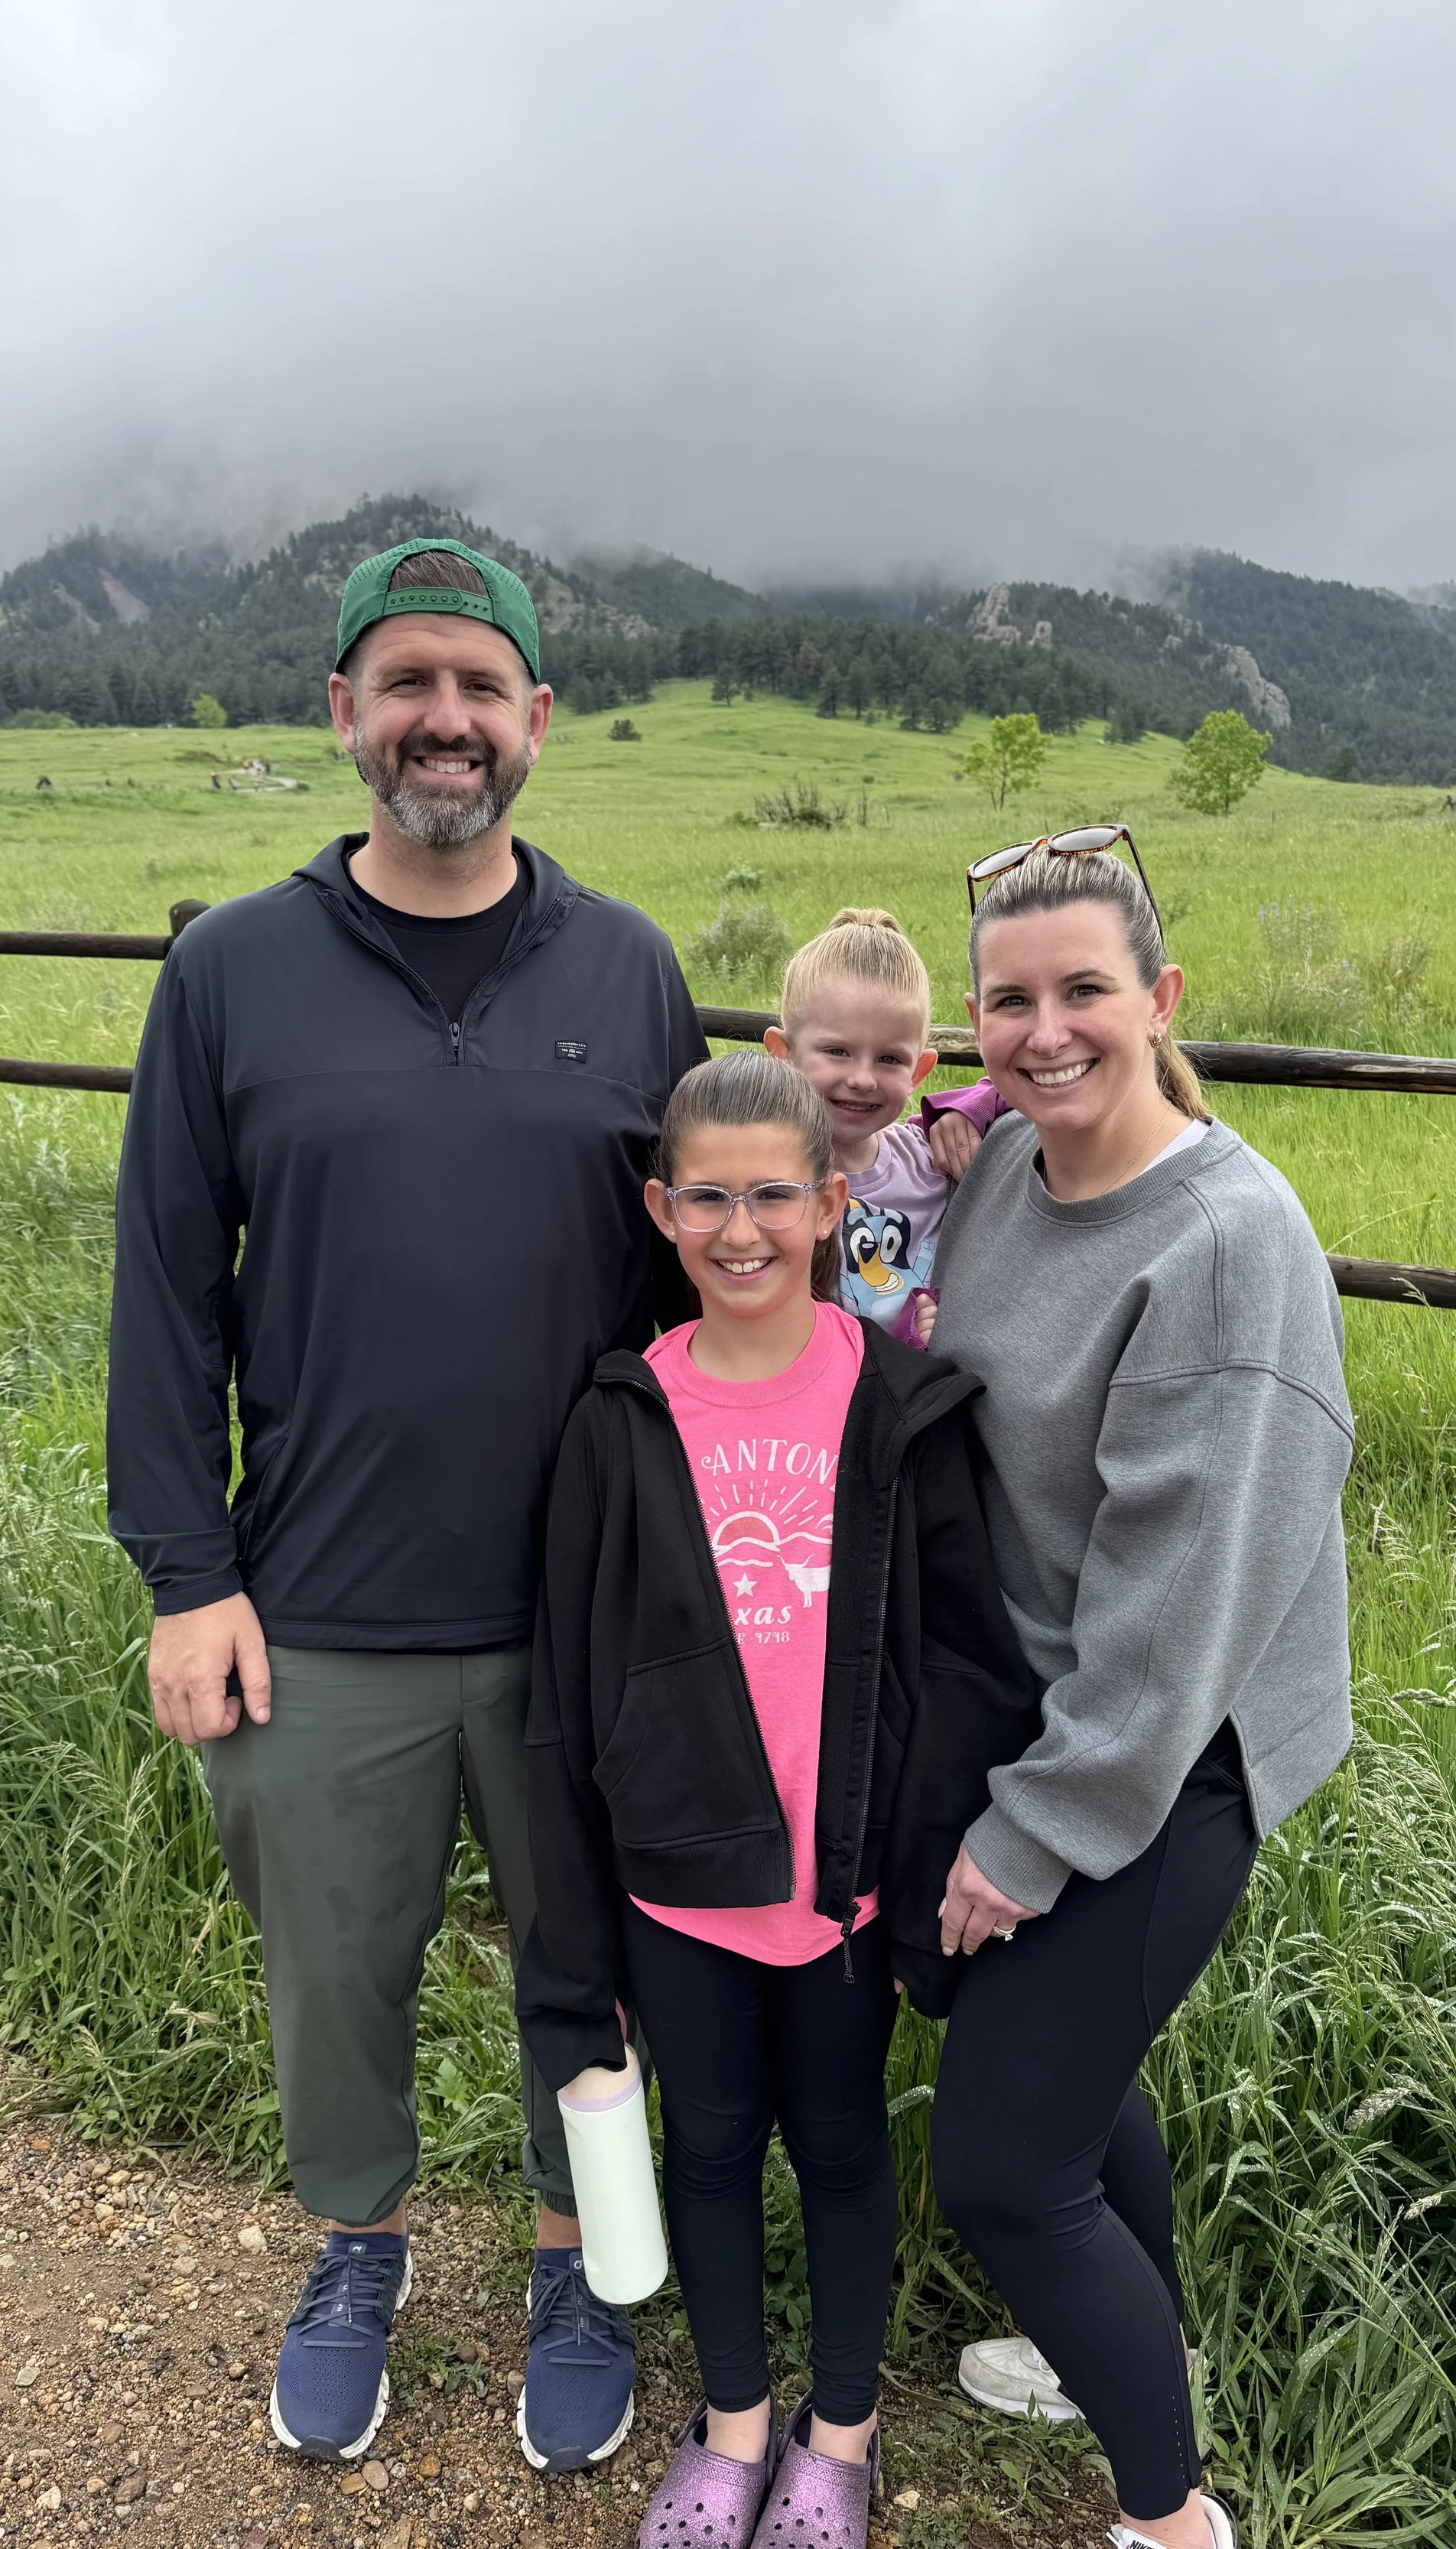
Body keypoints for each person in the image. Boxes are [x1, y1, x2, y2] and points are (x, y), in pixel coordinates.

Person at [106, 537, 707, 2469]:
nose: (444, 718)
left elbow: (702, 1284)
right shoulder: (230, 971)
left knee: (587, 1968)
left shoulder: (628, 970)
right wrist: (184, 1573)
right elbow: (164, 1284)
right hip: (317, 1607)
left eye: (479, 684)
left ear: (538, 718)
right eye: (407, 681)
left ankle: (580, 2263)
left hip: (582, 1613)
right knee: (332, 1971)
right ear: (344, 713)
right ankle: (356, 2245)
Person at [515, 1050, 1042, 2549]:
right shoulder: (620, 1417)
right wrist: (575, 1951)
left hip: (842, 1891)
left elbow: (964, 1668)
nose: (738, 1229)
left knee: (840, 2142)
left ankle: (841, 2432)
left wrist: (921, 1880)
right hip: (675, 1882)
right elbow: (566, 1693)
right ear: (660, 1210)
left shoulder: (901, 1404)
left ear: (829, 1201)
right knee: (707, 2147)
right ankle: (737, 2419)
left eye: (770, 1195)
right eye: (706, 1198)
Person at [926, 842, 1355, 2549]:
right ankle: (1128, 2348)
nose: (1046, 1031)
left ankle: (1174, 2520)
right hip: (1052, 1713)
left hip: (1169, 1760)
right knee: (1075, 2078)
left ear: (1162, 999)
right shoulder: (1003, 1170)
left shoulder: (1225, 1248)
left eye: (1084, 991)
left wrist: (1031, 1833)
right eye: (1009, 1000)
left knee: (1002, 2167)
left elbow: (1181, 1612)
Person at [764, 907, 1001, 1347]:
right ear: (783, 1053)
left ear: (919, 1071)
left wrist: (963, 1107)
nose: (862, 1079)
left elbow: (1021, 1087)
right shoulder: (764, 1182)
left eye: (889, 1059)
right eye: (837, 1051)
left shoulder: (928, 1158)